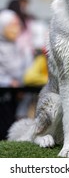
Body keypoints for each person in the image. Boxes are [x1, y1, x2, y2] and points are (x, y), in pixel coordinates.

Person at [0, 10, 29, 139]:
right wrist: (7, 81)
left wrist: (20, 83)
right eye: (11, 25)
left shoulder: (18, 46)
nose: (15, 29)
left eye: (17, 25)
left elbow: (25, 70)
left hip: (16, 94)